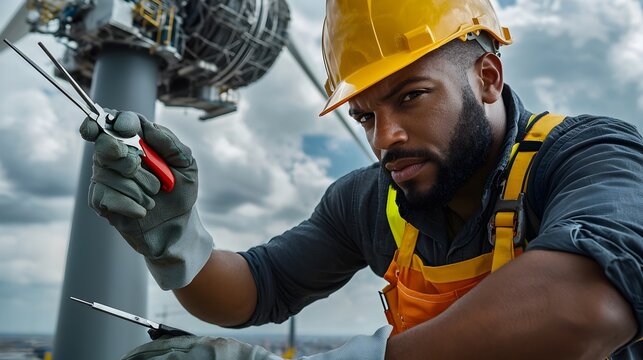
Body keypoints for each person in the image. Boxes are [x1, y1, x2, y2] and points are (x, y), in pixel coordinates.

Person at [79, 0, 643, 359]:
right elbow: (257, 288)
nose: (383, 138)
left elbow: (588, 304)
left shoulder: (590, 155)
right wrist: (179, 239)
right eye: (366, 116)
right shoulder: (374, 197)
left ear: (487, 78)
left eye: (411, 97)